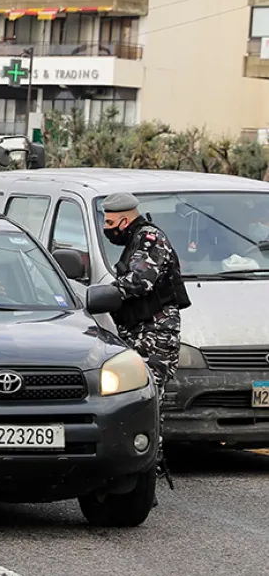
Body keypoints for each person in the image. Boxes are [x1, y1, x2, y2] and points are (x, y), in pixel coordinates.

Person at [103, 191, 191, 491]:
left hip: (155, 335)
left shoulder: (149, 239)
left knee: (146, 403)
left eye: (110, 221)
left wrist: (103, 295)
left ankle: (144, 479)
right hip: (139, 332)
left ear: (125, 219)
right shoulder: (134, 240)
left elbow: (140, 281)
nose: (107, 227)